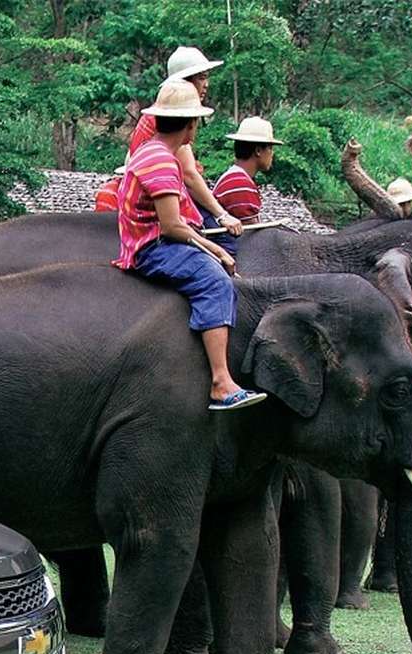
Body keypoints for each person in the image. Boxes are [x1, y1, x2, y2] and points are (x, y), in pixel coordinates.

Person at [115, 79, 265, 412]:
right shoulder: (163, 162)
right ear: (191, 124)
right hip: (151, 247)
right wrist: (216, 250)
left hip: (148, 238)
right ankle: (221, 382)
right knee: (215, 282)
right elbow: (171, 227)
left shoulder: (149, 151)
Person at [129, 46, 243, 242]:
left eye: (206, 77)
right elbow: (189, 176)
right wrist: (222, 215)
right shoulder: (172, 118)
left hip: (163, 190)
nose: (206, 84)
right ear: (185, 83)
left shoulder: (153, 115)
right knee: (226, 241)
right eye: (201, 78)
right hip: (164, 198)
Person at [212, 116, 283, 223]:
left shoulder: (234, 178)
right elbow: (251, 235)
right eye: (270, 148)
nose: (272, 154)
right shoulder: (240, 184)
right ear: (258, 150)